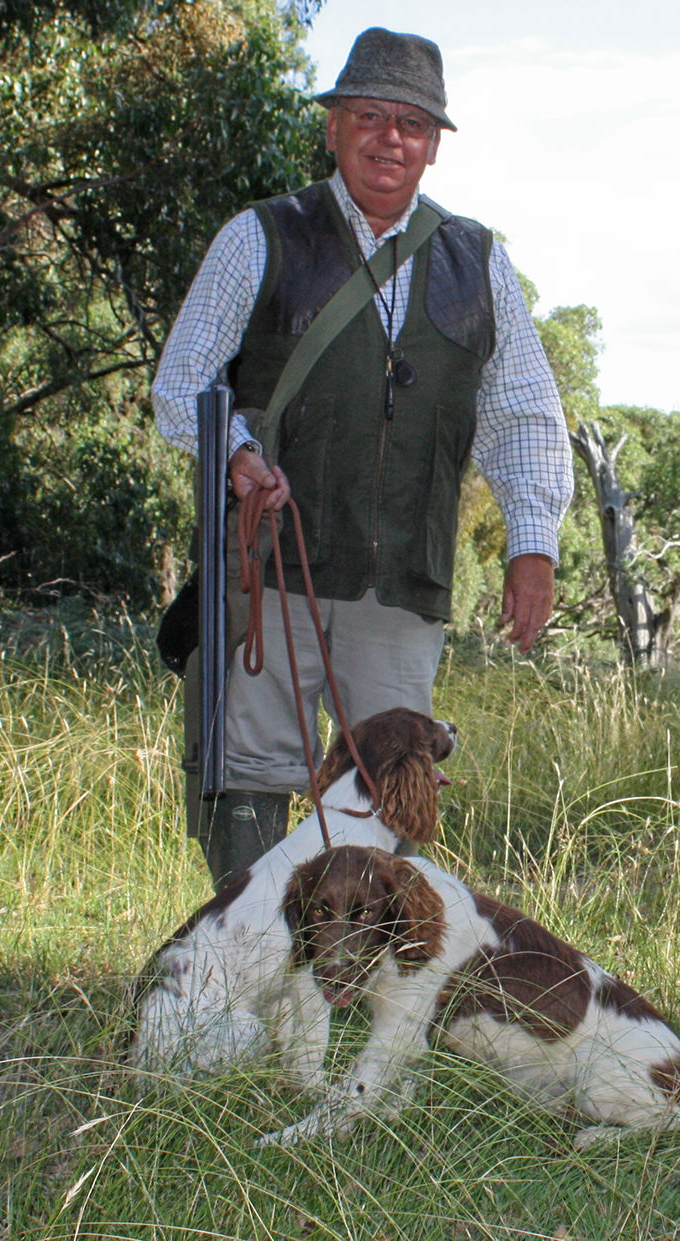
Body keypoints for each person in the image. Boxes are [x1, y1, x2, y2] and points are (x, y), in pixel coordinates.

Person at [151, 27, 573, 884]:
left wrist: (533, 545)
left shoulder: (479, 260)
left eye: (412, 124)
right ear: (334, 127)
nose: (391, 138)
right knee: (252, 772)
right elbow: (184, 379)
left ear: (432, 147)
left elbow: (523, 414)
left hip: (402, 574)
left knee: (394, 781)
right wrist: (235, 455)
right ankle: (250, 964)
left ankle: (363, 974)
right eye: (371, 116)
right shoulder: (260, 236)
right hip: (270, 561)